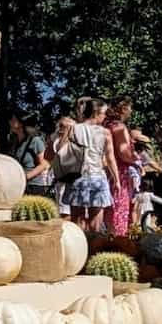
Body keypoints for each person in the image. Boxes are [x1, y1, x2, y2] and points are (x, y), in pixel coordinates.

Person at [65, 95, 116, 231]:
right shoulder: (105, 133)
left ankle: (79, 249)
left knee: (77, 219)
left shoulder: (73, 129)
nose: (105, 117)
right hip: (97, 178)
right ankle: (93, 247)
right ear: (96, 113)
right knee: (96, 220)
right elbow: (110, 158)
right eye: (104, 114)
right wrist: (116, 179)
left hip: (77, 177)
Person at [106, 96, 141, 237]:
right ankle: (118, 238)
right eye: (130, 108)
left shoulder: (105, 125)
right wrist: (136, 159)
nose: (131, 111)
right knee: (119, 207)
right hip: (119, 172)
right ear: (124, 109)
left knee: (108, 208)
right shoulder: (119, 127)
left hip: (105, 170)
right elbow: (123, 153)